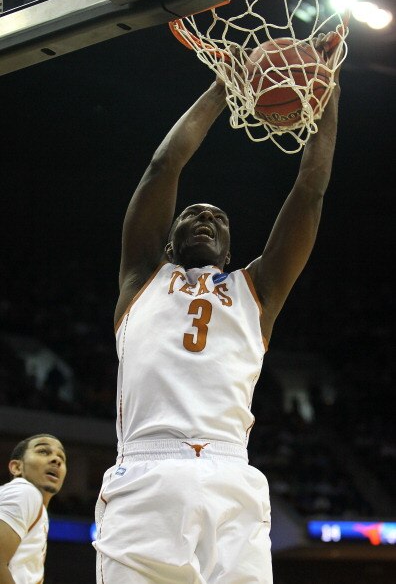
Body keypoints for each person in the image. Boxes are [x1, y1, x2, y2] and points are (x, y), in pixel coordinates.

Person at [94, 34, 342, 584]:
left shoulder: (259, 292)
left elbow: (310, 193)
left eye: (218, 218)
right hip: (148, 473)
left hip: (232, 476)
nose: (205, 217)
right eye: (192, 214)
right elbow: (164, 167)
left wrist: (327, 94)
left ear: (231, 252)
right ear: (166, 238)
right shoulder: (143, 278)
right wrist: (222, 87)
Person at [0, 434, 67, 584]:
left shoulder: (35, 506)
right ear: (17, 467)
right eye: (43, 451)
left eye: (62, 457)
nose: (57, 460)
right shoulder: (25, 492)